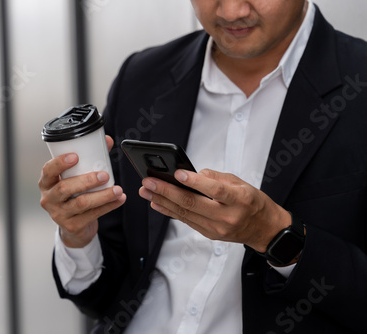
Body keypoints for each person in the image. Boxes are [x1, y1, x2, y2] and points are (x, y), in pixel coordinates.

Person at [39, 0, 367, 333]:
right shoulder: (141, 76)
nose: (231, 12)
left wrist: (275, 234)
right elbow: (105, 294)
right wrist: (77, 235)